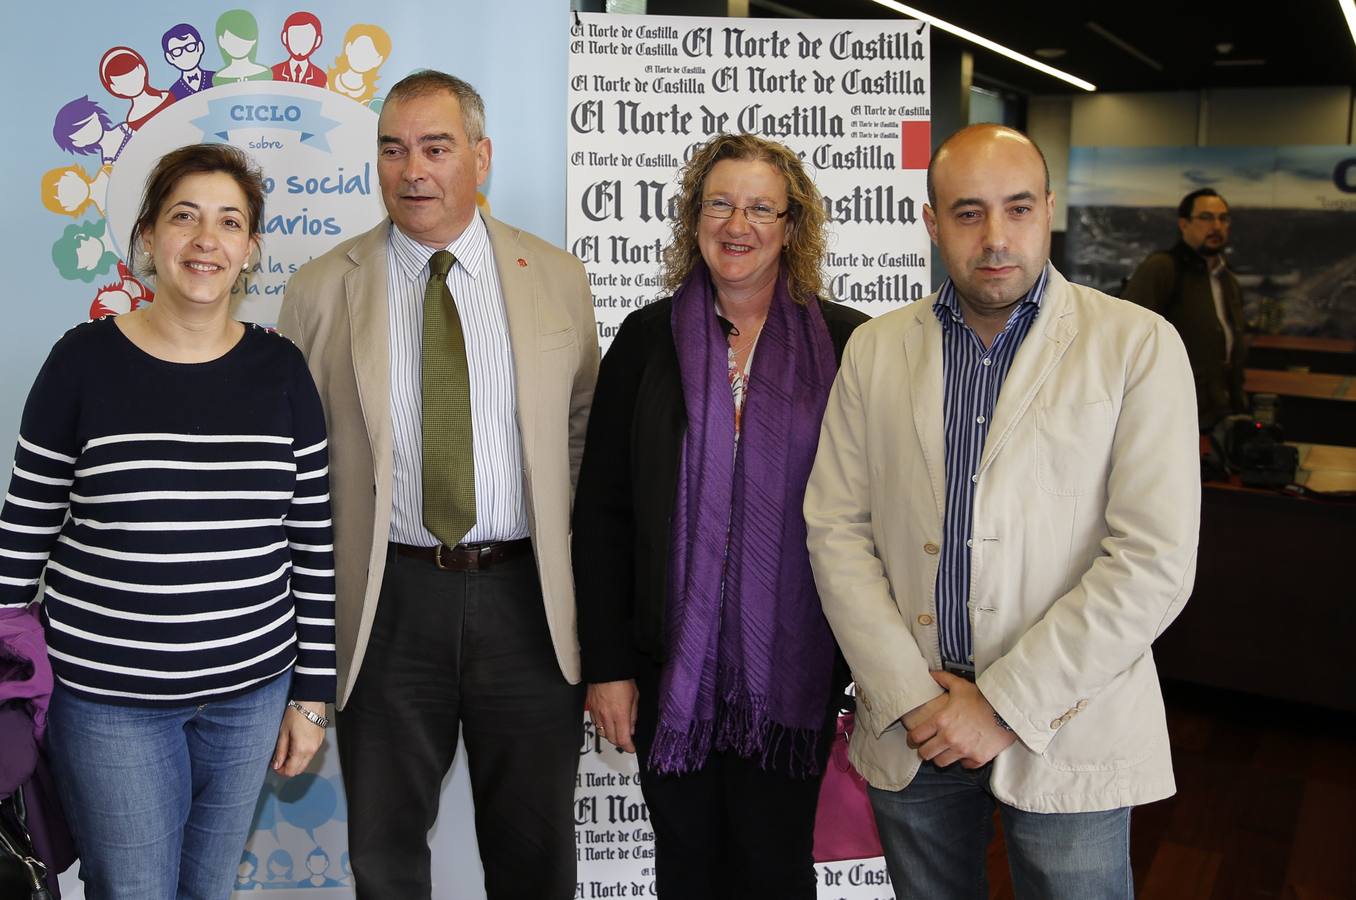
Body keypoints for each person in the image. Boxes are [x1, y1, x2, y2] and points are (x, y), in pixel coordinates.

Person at [804, 124, 1201, 900]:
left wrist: (1002, 706)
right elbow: (837, 530)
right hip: (914, 720)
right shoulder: (877, 350)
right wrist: (914, 698)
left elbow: (1153, 560)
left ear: (1049, 210)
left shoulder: (1136, 346)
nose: (995, 238)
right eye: (968, 212)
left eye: (1018, 209)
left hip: (1069, 718)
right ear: (930, 222)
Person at [278, 70, 598, 900]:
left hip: (527, 602)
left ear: (480, 158)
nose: (411, 170)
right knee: (384, 850)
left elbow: (581, 436)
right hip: (388, 603)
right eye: (392, 149)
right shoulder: (320, 287)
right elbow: (296, 464)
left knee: (534, 851)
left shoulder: (556, 277)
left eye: (435, 147)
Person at [0, 142, 336, 900]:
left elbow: (311, 544)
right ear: (148, 237)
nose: (205, 240)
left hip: (250, 695)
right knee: (135, 890)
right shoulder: (81, 363)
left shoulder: (282, 372)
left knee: (208, 889)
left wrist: (312, 696)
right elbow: (21, 533)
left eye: (228, 222)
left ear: (250, 249)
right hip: (110, 701)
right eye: (184, 217)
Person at [573, 133, 867, 899]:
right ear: (693, 219)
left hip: (796, 671)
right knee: (689, 872)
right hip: (669, 670)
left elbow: (878, 517)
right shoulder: (643, 342)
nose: (738, 224)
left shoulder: (849, 345)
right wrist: (605, 666)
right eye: (720, 203)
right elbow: (602, 515)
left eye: (761, 207)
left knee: (774, 871)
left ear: (792, 227)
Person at [1123, 187, 1246, 429]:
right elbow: (1127, 335)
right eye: (1206, 218)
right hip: (1174, 411)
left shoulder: (1227, 278)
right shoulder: (1163, 268)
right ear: (1184, 224)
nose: (1216, 226)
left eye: (1223, 218)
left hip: (1221, 411)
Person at [98, 46, 175, 131]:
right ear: (114, 88)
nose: (131, 83)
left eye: (133, 76)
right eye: (124, 82)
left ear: (142, 70)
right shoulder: (133, 119)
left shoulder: (167, 96)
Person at [272, 11, 327, 87]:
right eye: (295, 36)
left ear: (317, 41)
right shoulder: (274, 72)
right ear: (285, 37)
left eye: (307, 37)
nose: (300, 42)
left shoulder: (321, 77)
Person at [162, 23, 215, 99]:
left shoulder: (215, 78)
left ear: (200, 47)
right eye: (177, 51)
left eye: (190, 46)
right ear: (170, 57)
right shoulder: (173, 92)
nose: (185, 54)